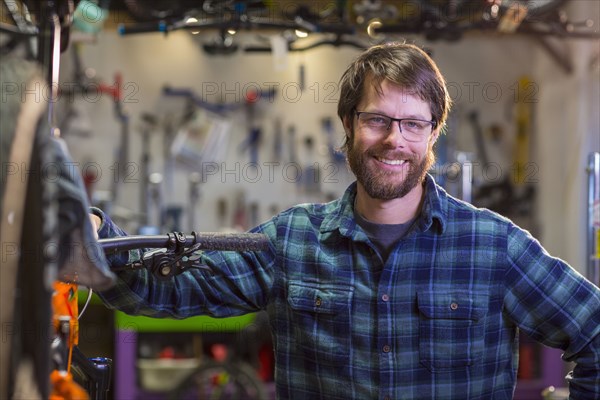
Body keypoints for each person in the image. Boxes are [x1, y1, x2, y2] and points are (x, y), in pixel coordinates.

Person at [92, 42, 600, 399]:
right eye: (376, 119)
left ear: (432, 135)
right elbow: (164, 292)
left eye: (413, 124)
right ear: (348, 125)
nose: (393, 139)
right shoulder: (291, 241)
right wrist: (95, 239)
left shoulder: (495, 246)